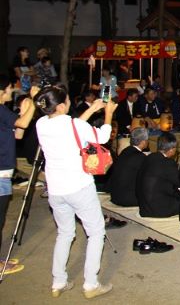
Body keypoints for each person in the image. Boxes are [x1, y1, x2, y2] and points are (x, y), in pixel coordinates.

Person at [35, 85, 116, 298]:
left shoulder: (41, 123)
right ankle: (91, 284)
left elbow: (72, 125)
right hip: (79, 186)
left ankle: (58, 282)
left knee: (64, 233)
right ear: (62, 106)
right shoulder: (74, 125)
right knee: (96, 231)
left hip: (56, 189)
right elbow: (103, 137)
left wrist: (92, 109)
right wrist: (107, 114)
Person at [1, 76, 36, 275]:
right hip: (0, 170)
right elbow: (22, 124)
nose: (11, 91)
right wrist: (32, 100)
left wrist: (25, 110)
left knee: (2, 215)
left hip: (4, 170)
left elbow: (18, 134)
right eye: (9, 88)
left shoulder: (4, 112)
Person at [136, 132, 180, 218]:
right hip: (158, 209)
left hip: (144, 207)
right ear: (171, 149)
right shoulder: (168, 163)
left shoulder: (148, 157)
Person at [109, 127, 149, 207]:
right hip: (127, 199)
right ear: (143, 142)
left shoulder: (125, 151)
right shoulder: (140, 157)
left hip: (115, 195)